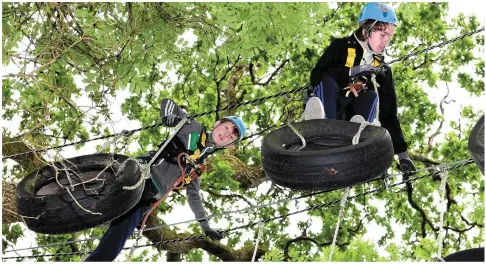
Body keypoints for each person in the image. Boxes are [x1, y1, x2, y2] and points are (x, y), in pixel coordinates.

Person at [85, 98, 246, 261]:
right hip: (140, 173)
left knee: (112, 247)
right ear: (217, 123)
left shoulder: (198, 167)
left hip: (144, 199)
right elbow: (168, 103)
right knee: (92, 199)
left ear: (229, 145)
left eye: (232, 135)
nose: (226, 133)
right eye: (226, 127)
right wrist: (170, 116)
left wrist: (205, 226)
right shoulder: (193, 127)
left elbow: (194, 196)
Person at [306, 2, 415, 174]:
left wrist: (402, 155)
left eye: (389, 37)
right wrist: (352, 71)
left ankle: (357, 133)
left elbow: (389, 114)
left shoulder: (382, 71)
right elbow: (316, 76)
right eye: (382, 34)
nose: (386, 41)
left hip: (351, 116)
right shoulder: (341, 47)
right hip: (329, 103)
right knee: (328, 81)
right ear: (366, 31)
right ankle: (320, 121)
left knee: (371, 96)